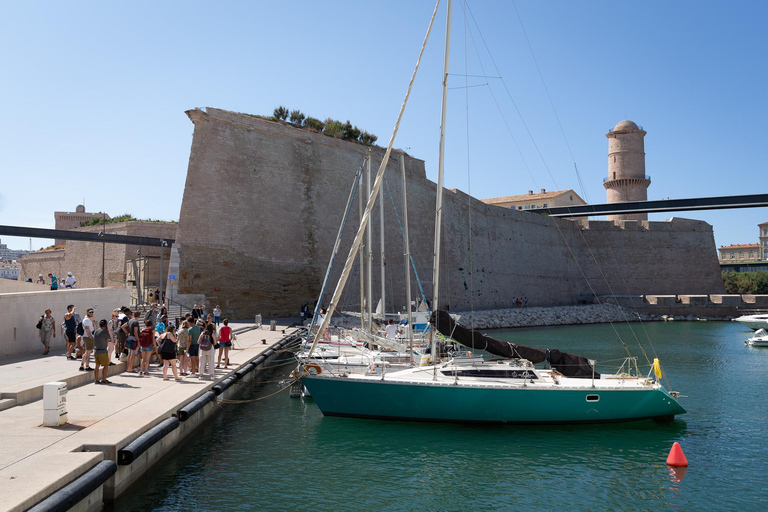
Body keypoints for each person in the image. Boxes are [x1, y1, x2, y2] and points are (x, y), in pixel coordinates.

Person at [93, 319, 111, 384]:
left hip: (96, 351)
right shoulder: (105, 331)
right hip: (103, 351)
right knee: (106, 365)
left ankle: (96, 380)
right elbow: (107, 340)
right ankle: (104, 379)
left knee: (97, 366)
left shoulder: (96, 331)